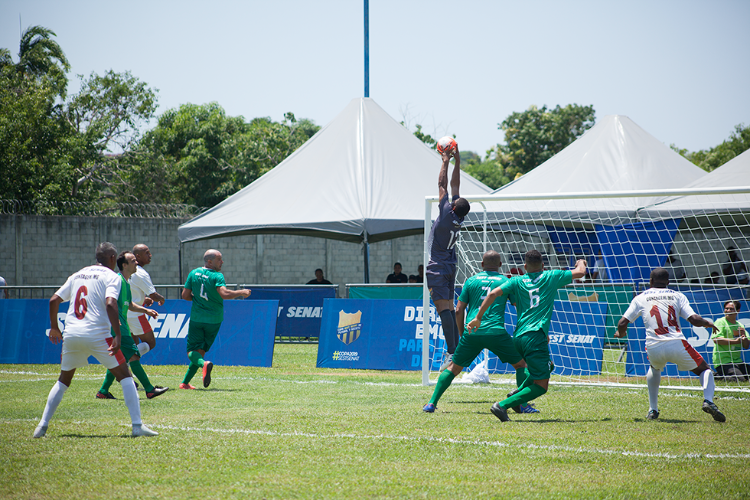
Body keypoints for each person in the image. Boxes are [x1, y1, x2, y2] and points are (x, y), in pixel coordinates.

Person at [34, 242, 158, 438]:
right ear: (111, 259)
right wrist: (117, 335)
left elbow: (53, 300)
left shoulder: (78, 274)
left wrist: (55, 328)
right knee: (125, 376)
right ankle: (137, 426)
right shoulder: (112, 277)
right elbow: (111, 304)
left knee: (63, 380)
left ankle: (41, 426)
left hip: (72, 333)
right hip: (99, 334)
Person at [467, 250, 587, 422]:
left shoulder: (516, 280)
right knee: (541, 386)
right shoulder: (551, 276)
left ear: (524, 266)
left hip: (519, 337)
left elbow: (492, 294)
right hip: (534, 337)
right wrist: (581, 261)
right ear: (543, 266)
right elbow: (581, 272)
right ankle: (502, 405)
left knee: (547, 366)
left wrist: (478, 318)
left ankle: (518, 393)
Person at [423, 250, 537, 414]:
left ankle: (431, 404)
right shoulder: (506, 281)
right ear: (500, 265)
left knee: (453, 368)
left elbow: (458, 310)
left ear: (482, 264)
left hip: (472, 332)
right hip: (496, 332)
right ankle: (523, 404)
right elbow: (518, 307)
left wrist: (463, 334)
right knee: (520, 365)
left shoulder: (471, 281)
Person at [614, 267, 726, 422]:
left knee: (655, 368)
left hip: (653, 346)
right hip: (676, 343)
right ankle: (708, 401)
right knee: (704, 370)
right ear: (668, 282)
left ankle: (653, 409)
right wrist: (708, 323)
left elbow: (622, 322)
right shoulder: (677, 296)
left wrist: (621, 333)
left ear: (650, 281)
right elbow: (693, 319)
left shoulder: (640, 297)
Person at [96, 251, 168, 400]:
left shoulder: (126, 282)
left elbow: (130, 305)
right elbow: (107, 301)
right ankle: (149, 389)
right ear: (124, 265)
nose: (136, 263)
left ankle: (103, 391)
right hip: (118, 327)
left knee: (119, 359)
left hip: (120, 326)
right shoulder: (117, 281)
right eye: (133, 261)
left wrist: (146, 310)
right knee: (134, 356)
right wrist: (114, 321)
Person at [426, 142, 471, 371]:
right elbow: (455, 185)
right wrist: (458, 161)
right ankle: (456, 349)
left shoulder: (445, 213)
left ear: (453, 206)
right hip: (451, 264)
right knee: (450, 309)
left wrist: (445, 160)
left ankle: (453, 353)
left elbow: (443, 184)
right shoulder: (458, 216)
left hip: (438, 265)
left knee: (443, 309)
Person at [180, 250, 251, 389]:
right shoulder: (217, 276)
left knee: (192, 351)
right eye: (219, 260)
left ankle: (203, 365)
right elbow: (224, 293)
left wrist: (197, 300)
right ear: (210, 262)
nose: (222, 262)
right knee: (200, 352)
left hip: (197, 318)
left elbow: (185, 295)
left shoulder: (193, 273)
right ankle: (185, 383)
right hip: (214, 320)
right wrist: (241, 292)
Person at [128, 244, 166, 358]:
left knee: (133, 344)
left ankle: (127, 371)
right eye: (147, 253)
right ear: (138, 256)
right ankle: (124, 360)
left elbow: (129, 292)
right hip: (136, 314)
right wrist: (161, 298)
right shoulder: (141, 273)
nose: (150, 255)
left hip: (124, 312)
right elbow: (154, 295)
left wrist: (143, 299)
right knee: (150, 343)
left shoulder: (127, 270)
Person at [711, 300, 749, 382]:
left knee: (746, 378)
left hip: (737, 361)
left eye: (731, 309)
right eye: (726, 308)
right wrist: (735, 341)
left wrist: (744, 337)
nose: (728, 311)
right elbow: (716, 339)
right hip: (724, 362)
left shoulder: (740, 325)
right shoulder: (720, 322)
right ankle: (714, 376)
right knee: (740, 380)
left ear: (738, 310)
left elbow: (746, 346)